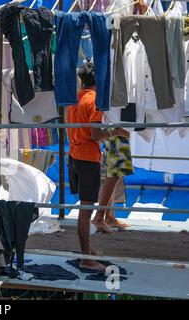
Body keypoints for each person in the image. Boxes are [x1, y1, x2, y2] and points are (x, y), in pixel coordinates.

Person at [66, 62, 128, 272]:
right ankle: (86, 258)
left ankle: (88, 251)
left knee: (85, 207)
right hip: (87, 158)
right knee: (86, 210)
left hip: (74, 155)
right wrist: (116, 132)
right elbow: (95, 134)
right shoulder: (94, 101)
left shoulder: (73, 99)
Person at [93, 129, 134, 231]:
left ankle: (108, 216)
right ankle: (99, 217)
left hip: (114, 127)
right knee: (114, 175)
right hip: (118, 128)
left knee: (111, 173)